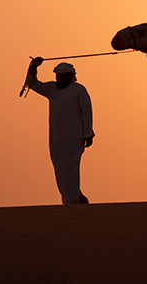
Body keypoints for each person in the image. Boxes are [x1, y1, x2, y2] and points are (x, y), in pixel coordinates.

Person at [25, 57, 94, 205]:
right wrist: (33, 68)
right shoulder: (52, 89)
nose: (60, 78)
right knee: (60, 171)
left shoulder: (79, 90)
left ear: (70, 76)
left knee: (71, 169)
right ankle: (77, 197)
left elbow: (86, 111)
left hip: (74, 139)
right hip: (56, 139)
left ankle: (72, 201)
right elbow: (33, 84)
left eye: (63, 76)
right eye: (58, 75)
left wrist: (88, 133)